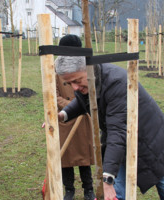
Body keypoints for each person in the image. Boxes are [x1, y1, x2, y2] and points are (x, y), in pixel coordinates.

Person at [56, 56, 164, 200]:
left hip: (150, 140)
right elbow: (82, 100)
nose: (75, 88)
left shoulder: (117, 83)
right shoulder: (89, 81)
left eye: (77, 81)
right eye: (69, 83)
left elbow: (117, 131)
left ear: (88, 70)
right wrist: (62, 115)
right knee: (116, 192)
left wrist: (107, 179)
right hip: (120, 142)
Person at [56, 35, 96, 200]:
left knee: (84, 156)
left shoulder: (85, 68)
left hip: (83, 119)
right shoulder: (55, 69)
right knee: (66, 157)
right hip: (64, 119)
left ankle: (88, 189)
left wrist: (82, 105)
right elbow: (52, 94)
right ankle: (69, 190)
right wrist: (70, 107)